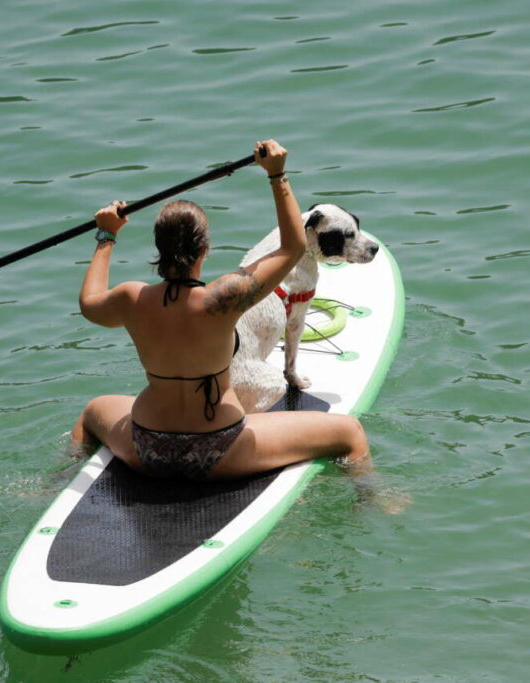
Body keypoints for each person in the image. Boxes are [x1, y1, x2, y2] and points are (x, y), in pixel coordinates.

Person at [69, 139, 373, 483]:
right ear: (204, 249)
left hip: (146, 447)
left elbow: (89, 301)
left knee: (93, 411)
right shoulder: (225, 297)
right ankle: (376, 498)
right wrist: (277, 176)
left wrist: (106, 235)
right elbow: (292, 248)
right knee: (350, 432)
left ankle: (57, 482)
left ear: (158, 248)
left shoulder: (131, 298)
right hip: (220, 451)